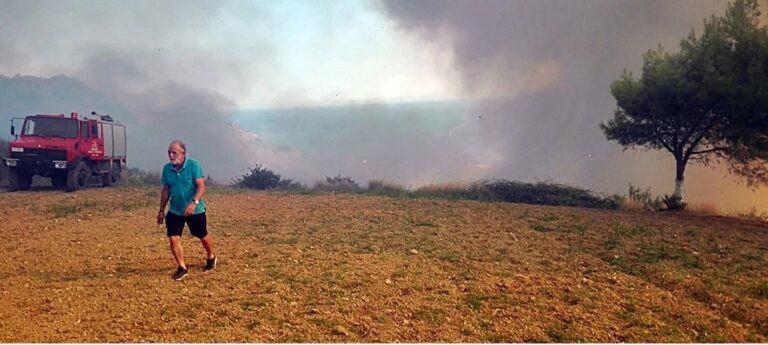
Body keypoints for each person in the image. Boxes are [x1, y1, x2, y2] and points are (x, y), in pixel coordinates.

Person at [156, 140, 216, 281]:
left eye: (174, 152)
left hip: (195, 210)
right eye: (169, 152)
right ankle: (182, 267)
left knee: (202, 235)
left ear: (183, 153)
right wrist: (161, 210)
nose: (171, 155)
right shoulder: (167, 169)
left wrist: (194, 203)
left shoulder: (193, 165)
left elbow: (201, 186)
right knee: (173, 238)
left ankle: (211, 256)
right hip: (175, 210)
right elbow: (166, 189)